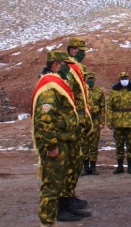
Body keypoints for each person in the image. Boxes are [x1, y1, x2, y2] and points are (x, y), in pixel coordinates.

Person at [31, 50, 81, 224]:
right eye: (67, 65)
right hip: (56, 144)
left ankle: (54, 217)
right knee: (51, 186)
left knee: (58, 183)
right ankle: (47, 221)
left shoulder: (58, 85)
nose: (70, 68)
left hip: (63, 142)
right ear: (56, 65)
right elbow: (44, 120)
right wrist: (51, 146)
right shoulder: (49, 89)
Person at [62, 37, 92, 218]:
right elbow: (64, 97)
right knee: (68, 164)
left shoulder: (77, 69)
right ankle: (63, 203)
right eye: (81, 50)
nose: (84, 53)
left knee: (75, 162)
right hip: (71, 124)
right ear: (72, 51)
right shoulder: (67, 69)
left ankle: (69, 196)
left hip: (78, 123)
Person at [107, 71, 131, 174]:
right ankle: (119, 166)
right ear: (119, 80)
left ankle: (130, 166)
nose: (125, 80)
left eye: (126, 78)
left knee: (130, 145)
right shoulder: (114, 91)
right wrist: (109, 121)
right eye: (123, 78)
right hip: (118, 122)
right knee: (119, 145)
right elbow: (109, 107)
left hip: (130, 122)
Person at [81, 72, 106, 175]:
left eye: (92, 79)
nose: (90, 81)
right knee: (84, 145)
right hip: (84, 121)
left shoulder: (99, 92)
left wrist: (102, 122)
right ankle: (85, 168)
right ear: (85, 79)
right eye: (88, 79)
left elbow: (102, 108)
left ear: (94, 80)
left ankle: (93, 167)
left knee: (94, 145)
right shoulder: (81, 91)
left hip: (95, 121)